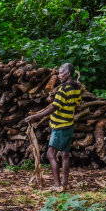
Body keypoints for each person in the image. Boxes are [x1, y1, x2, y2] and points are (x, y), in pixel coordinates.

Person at [24, 63, 82, 191]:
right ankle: (65, 183)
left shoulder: (63, 90)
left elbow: (54, 107)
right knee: (65, 154)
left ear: (67, 74)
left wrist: (36, 116)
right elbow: (78, 103)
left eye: (61, 73)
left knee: (51, 154)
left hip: (60, 126)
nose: (59, 75)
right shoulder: (76, 87)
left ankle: (57, 185)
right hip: (69, 125)